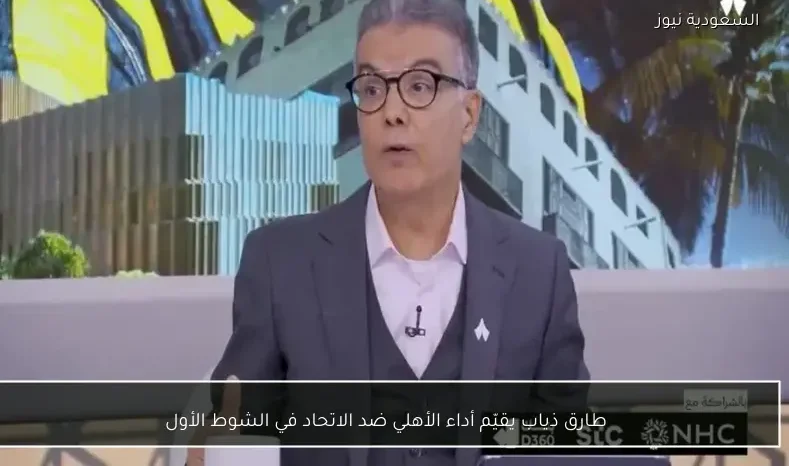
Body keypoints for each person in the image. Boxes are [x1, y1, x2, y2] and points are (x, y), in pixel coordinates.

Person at [187, 0, 588, 464]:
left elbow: (570, 452)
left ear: (469, 115)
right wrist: (211, 446)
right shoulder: (280, 262)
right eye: (373, 88)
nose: (392, 112)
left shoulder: (539, 271)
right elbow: (229, 431)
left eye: (420, 85)